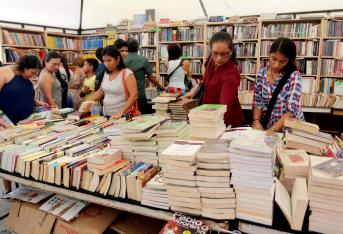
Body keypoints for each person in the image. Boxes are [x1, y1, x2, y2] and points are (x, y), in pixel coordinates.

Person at [0, 55, 47, 194]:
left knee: (23, 155)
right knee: (6, 156)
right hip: (7, 123)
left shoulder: (26, 78)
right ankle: (7, 189)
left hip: (25, 124)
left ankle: (22, 187)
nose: (33, 76)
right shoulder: (4, 72)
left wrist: (37, 101)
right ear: (23, 67)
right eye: (32, 73)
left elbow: (25, 94)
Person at [252, 37, 304, 131]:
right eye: (274, 59)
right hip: (268, 127)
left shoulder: (294, 77)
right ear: (269, 54)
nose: (276, 65)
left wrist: (272, 131)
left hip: (289, 130)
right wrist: (256, 121)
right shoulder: (261, 74)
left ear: (289, 60)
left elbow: (291, 111)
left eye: (282, 61)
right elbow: (257, 102)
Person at [201, 31, 245, 126]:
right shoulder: (211, 61)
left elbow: (223, 109)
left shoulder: (230, 74)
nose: (219, 58)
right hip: (210, 116)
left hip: (227, 123)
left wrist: (206, 125)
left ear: (231, 52)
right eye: (215, 53)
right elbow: (205, 78)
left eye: (224, 54)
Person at [90, 45, 138, 119]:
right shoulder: (106, 74)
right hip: (107, 115)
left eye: (109, 60)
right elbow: (100, 91)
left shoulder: (127, 73)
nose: (106, 64)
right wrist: (88, 103)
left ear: (118, 58)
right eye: (104, 61)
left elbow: (134, 96)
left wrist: (120, 112)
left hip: (123, 116)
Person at [125, 38, 164, 114]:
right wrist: (160, 86)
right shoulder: (142, 59)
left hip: (125, 96)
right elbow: (151, 78)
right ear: (137, 47)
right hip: (139, 95)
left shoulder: (122, 59)